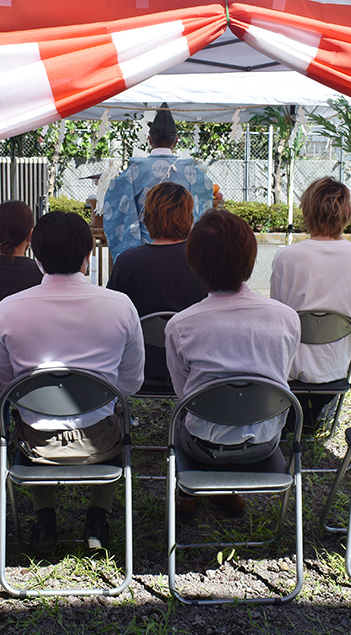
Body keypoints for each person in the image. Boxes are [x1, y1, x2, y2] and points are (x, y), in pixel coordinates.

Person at [0, 211, 145, 553]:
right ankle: (97, 518)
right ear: (88, 253)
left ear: (37, 254)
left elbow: (5, 386)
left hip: (36, 443)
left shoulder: (9, 308)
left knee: (24, 416)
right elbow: (131, 382)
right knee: (118, 413)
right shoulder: (120, 306)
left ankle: (45, 521)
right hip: (100, 440)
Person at [165, 209, 300, 517]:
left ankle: (190, 493)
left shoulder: (181, 325)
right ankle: (225, 493)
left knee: (185, 420)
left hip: (202, 444)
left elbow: (183, 394)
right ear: (251, 257)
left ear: (194, 262)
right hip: (265, 443)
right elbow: (282, 377)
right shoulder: (286, 318)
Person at [269, 177, 351, 431]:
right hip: (336, 367)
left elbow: (277, 314)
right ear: (347, 213)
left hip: (290, 369)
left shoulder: (287, 257)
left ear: (307, 210)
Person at [107, 182, 207, 386]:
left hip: (142, 365)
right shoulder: (205, 261)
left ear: (147, 218)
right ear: (189, 218)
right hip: (195, 365)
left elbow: (112, 318)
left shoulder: (127, 262)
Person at [100, 102, 215, 258]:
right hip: (183, 250)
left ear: (149, 140)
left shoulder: (134, 171)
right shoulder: (192, 172)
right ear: (176, 140)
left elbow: (116, 205)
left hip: (144, 246)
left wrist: (131, 251)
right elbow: (204, 200)